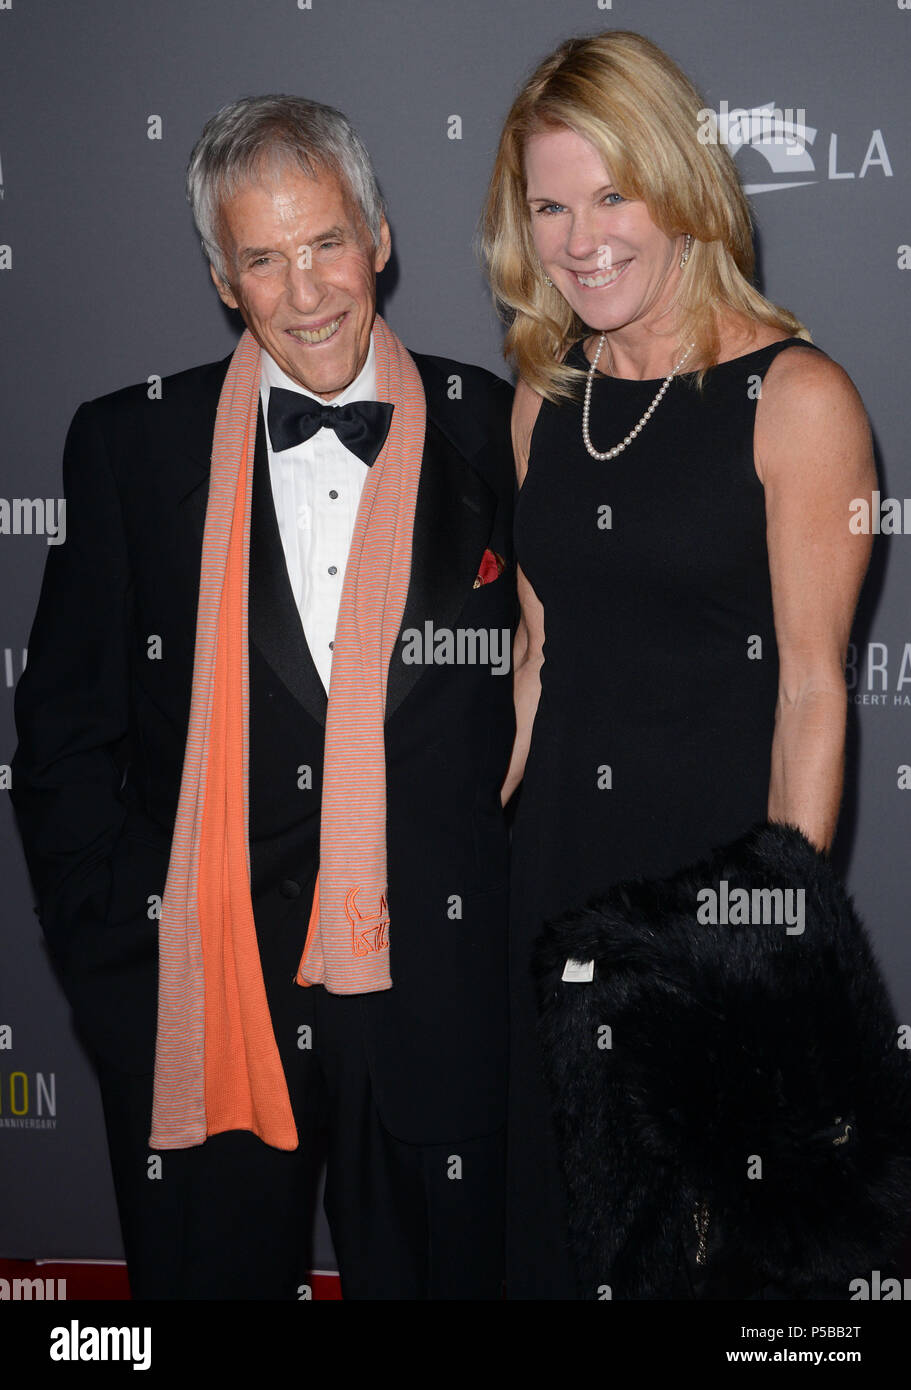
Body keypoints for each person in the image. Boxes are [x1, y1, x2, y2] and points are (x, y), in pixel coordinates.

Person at [11, 95, 516, 1300]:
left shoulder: (499, 431)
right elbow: (67, 735)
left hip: (434, 1008)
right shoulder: (130, 447)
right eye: (262, 258)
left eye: (326, 242)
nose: (306, 292)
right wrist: (118, 966)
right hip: (204, 994)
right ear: (223, 281)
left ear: (379, 238)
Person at [481, 31, 875, 1298]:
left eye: (612, 194)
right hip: (547, 890)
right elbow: (536, 660)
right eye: (548, 203)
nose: (578, 236)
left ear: (682, 188)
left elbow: (813, 690)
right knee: (550, 1240)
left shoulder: (796, 398)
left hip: (701, 909)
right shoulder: (544, 398)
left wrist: (766, 946)